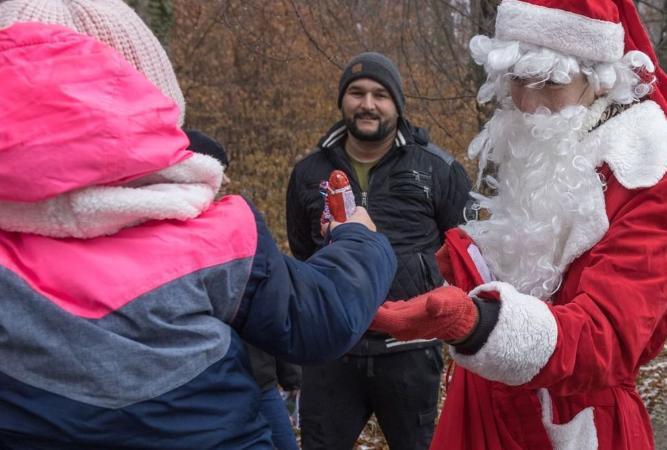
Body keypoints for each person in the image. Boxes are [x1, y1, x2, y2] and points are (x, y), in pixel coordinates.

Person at [0, 15, 395, 450]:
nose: (367, 104)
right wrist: (360, 238)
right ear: (152, 99)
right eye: (358, 92)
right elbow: (320, 316)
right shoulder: (217, 236)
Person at [369, 1, 667, 449]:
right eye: (517, 80)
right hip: (485, 408)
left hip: (574, 429)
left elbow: (606, 337)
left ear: (599, 77)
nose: (530, 105)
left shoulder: (651, 178)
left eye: (549, 82)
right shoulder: (543, 139)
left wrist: (476, 324)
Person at [286, 52, 474, 449]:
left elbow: (467, 253)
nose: (367, 104)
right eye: (356, 93)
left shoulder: (438, 169)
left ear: (397, 104)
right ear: (342, 101)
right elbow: (304, 255)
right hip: (331, 352)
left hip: (411, 352)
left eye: (380, 94)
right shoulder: (308, 172)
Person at [184, 128, 302, 450]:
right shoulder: (166, 235)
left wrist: (290, 376)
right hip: (208, 391)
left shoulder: (240, 226)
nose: (226, 183)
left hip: (260, 382)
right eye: (219, 173)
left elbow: (273, 299)